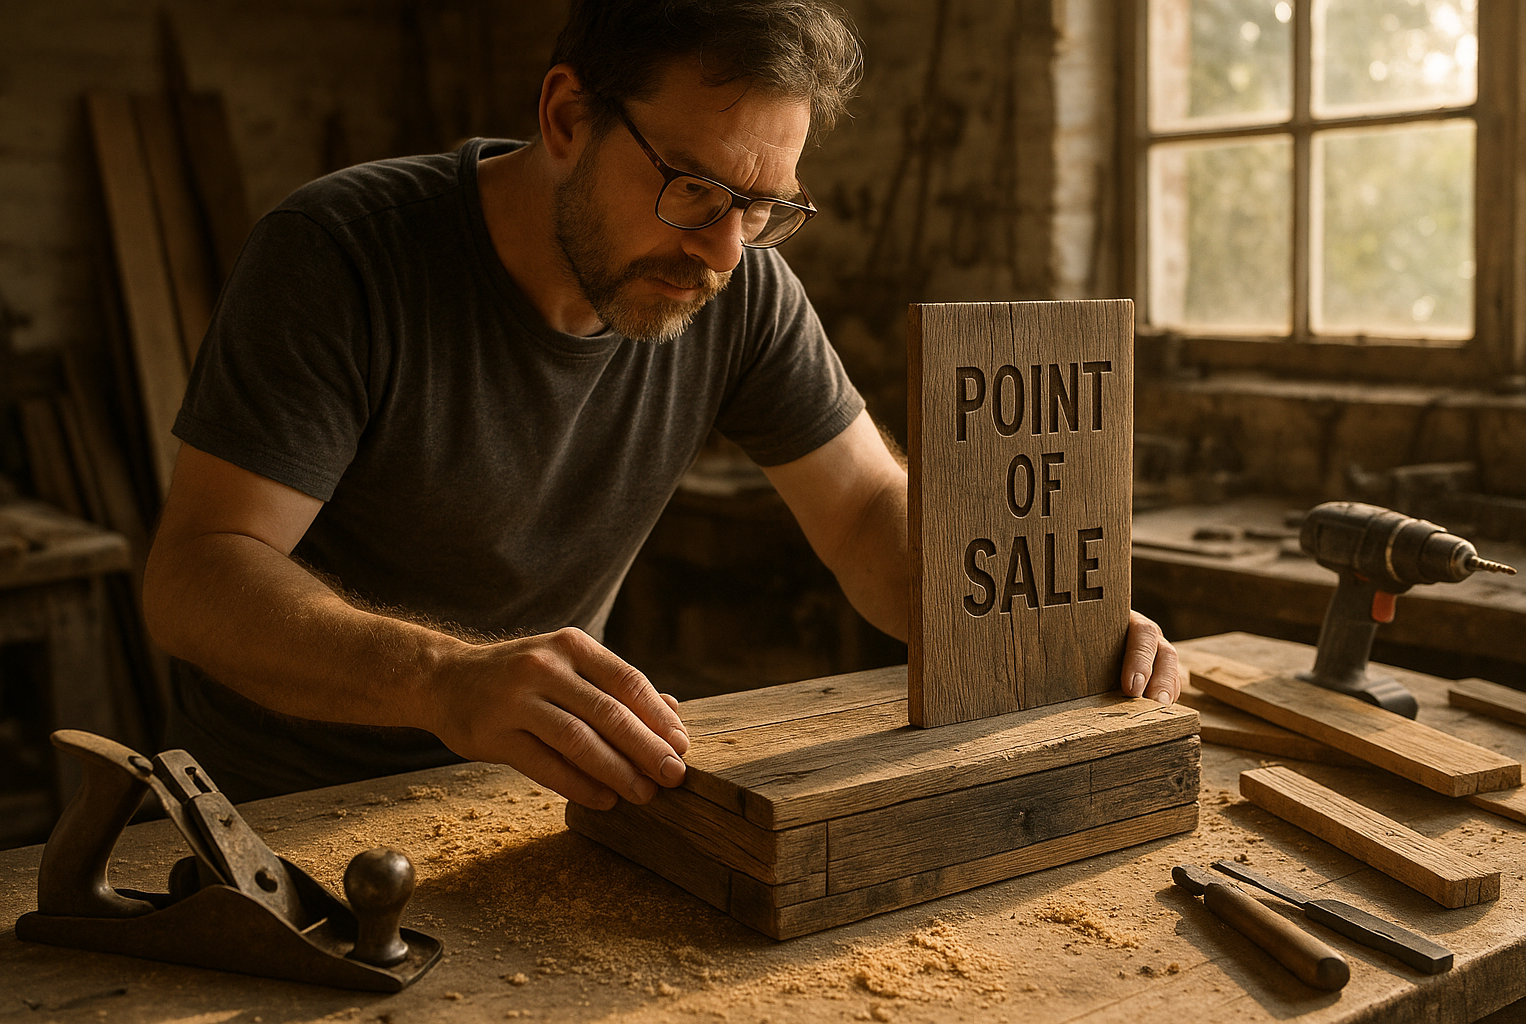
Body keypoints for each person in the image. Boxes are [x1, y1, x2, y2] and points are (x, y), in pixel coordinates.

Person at [143, 0, 1180, 807]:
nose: (723, 250)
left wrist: (1025, 608)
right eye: (692, 186)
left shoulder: (741, 284)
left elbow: (867, 509)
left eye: (764, 205)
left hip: (537, 794)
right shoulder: (341, 255)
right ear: (566, 117)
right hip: (279, 811)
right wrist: (441, 679)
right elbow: (196, 576)